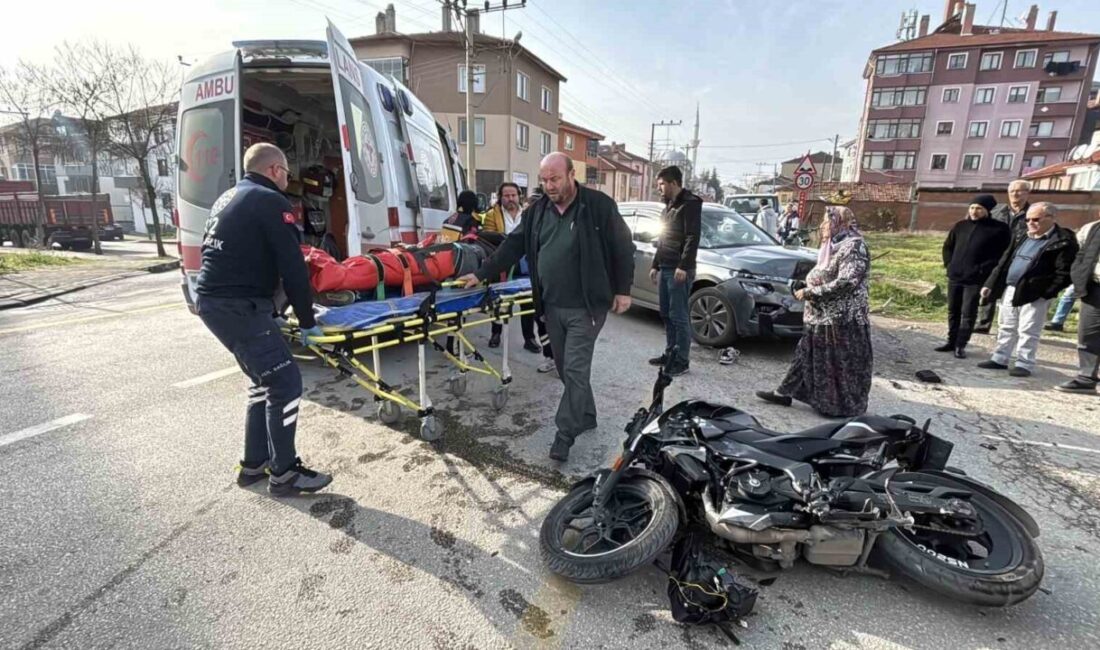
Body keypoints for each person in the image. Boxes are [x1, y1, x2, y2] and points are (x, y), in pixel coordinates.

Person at [457, 152, 634, 461]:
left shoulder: (598, 206)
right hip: (552, 305)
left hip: (588, 307)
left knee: (575, 369)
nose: (550, 186)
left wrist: (623, 289)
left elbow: (623, 246)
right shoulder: (537, 211)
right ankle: (586, 414)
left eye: (555, 179)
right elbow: (512, 246)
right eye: (544, 180)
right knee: (566, 369)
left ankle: (564, 434)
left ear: (571, 175)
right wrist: (481, 273)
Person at [194, 143, 332, 496]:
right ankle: (284, 474)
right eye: (286, 172)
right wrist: (307, 321)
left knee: (264, 382)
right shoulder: (271, 201)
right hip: (238, 307)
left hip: (217, 304)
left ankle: (254, 464)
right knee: (285, 383)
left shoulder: (230, 197)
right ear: (274, 170)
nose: (288, 179)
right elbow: (293, 268)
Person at [756, 206, 873, 417]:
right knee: (805, 355)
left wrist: (811, 292)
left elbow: (847, 282)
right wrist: (805, 285)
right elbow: (825, 274)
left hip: (841, 320)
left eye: (826, 222)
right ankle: (784, 392)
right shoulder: (832, 246)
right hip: (819, 316)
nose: (822, 227)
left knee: (838, 365)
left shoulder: (854, 247)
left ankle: (840, 407)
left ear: (839, 223)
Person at [978, 202, 1079, 378]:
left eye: (1036, 219)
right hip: (1011, 287)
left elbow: (1064, 273)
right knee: (1006, 326)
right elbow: (1005, 260)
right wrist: (990, 283)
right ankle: (1000, 358)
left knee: (1028, 330)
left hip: (1035, 293)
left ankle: (1024, 363)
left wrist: (1047, 293)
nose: (1030, 223)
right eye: (1028, 219)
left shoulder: (1063, 241)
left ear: (1051, 218)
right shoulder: (1022, 235)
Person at [937, 194, 1011, 359]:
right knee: (953, 310)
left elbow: (1001, 255)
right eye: (972, 207)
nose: (974, 211)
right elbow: (948, 247)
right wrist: (949, 265)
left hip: (976, 279)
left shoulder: (999, 229)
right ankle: (951, 341)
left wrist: (983, 270)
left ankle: (961, 344)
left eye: (979, 208)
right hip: (956, 276)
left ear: (988, 210)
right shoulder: (961, 226)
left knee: (968, 312)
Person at [648, 165, 701, 376]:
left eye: (662, 184)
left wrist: (684, 266)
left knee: (678, 316)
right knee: (666, 313)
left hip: (679, 269)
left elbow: (692, 237)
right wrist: (655, 264)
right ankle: (670, 353)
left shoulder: (690, 205)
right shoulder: (668, 207)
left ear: (674, 183)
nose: (659, 188)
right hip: (666, 266)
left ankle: (682, 360)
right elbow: (663, 238)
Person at [483, 181, 543, 353]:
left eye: (513, 195)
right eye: (506, 196)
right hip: (502, 263)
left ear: (519, 196)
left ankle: (529, 338)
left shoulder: (528, 214)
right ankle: (496, 334)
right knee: (500, 301)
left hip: (525, 264)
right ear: (500, 197)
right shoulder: (491, 215)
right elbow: (487, 239)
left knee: (528, 301)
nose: (510, 199)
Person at [977, 180, 1032, 332]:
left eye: (1019, 191)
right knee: (989, 286)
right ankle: (983, 323)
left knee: (1012, 290)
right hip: (995, 255)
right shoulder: (997, 211)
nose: (1015, 194)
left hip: (1018, 257)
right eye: (1012, 191)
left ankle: (1010, 325)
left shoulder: (1032, 214)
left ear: (1027, 193)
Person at [1055, 212, 1100, 394]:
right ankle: (1086, 378)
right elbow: (1079, 252)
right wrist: (1078, 275)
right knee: (1088, 334)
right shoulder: (1092, 228)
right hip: (1095, 287)